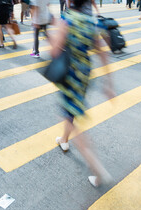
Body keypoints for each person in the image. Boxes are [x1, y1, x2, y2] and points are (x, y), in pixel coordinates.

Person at [49, 0, 115, 187]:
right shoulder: (89, 21)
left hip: (69, 75)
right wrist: (108, 84)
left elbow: (55, 51)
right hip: (84, 74)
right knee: (71, 112)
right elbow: (103, 53)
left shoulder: (67, 19)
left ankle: (98, 170)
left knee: (71, 115)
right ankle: (63, 139)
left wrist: (52, 34)